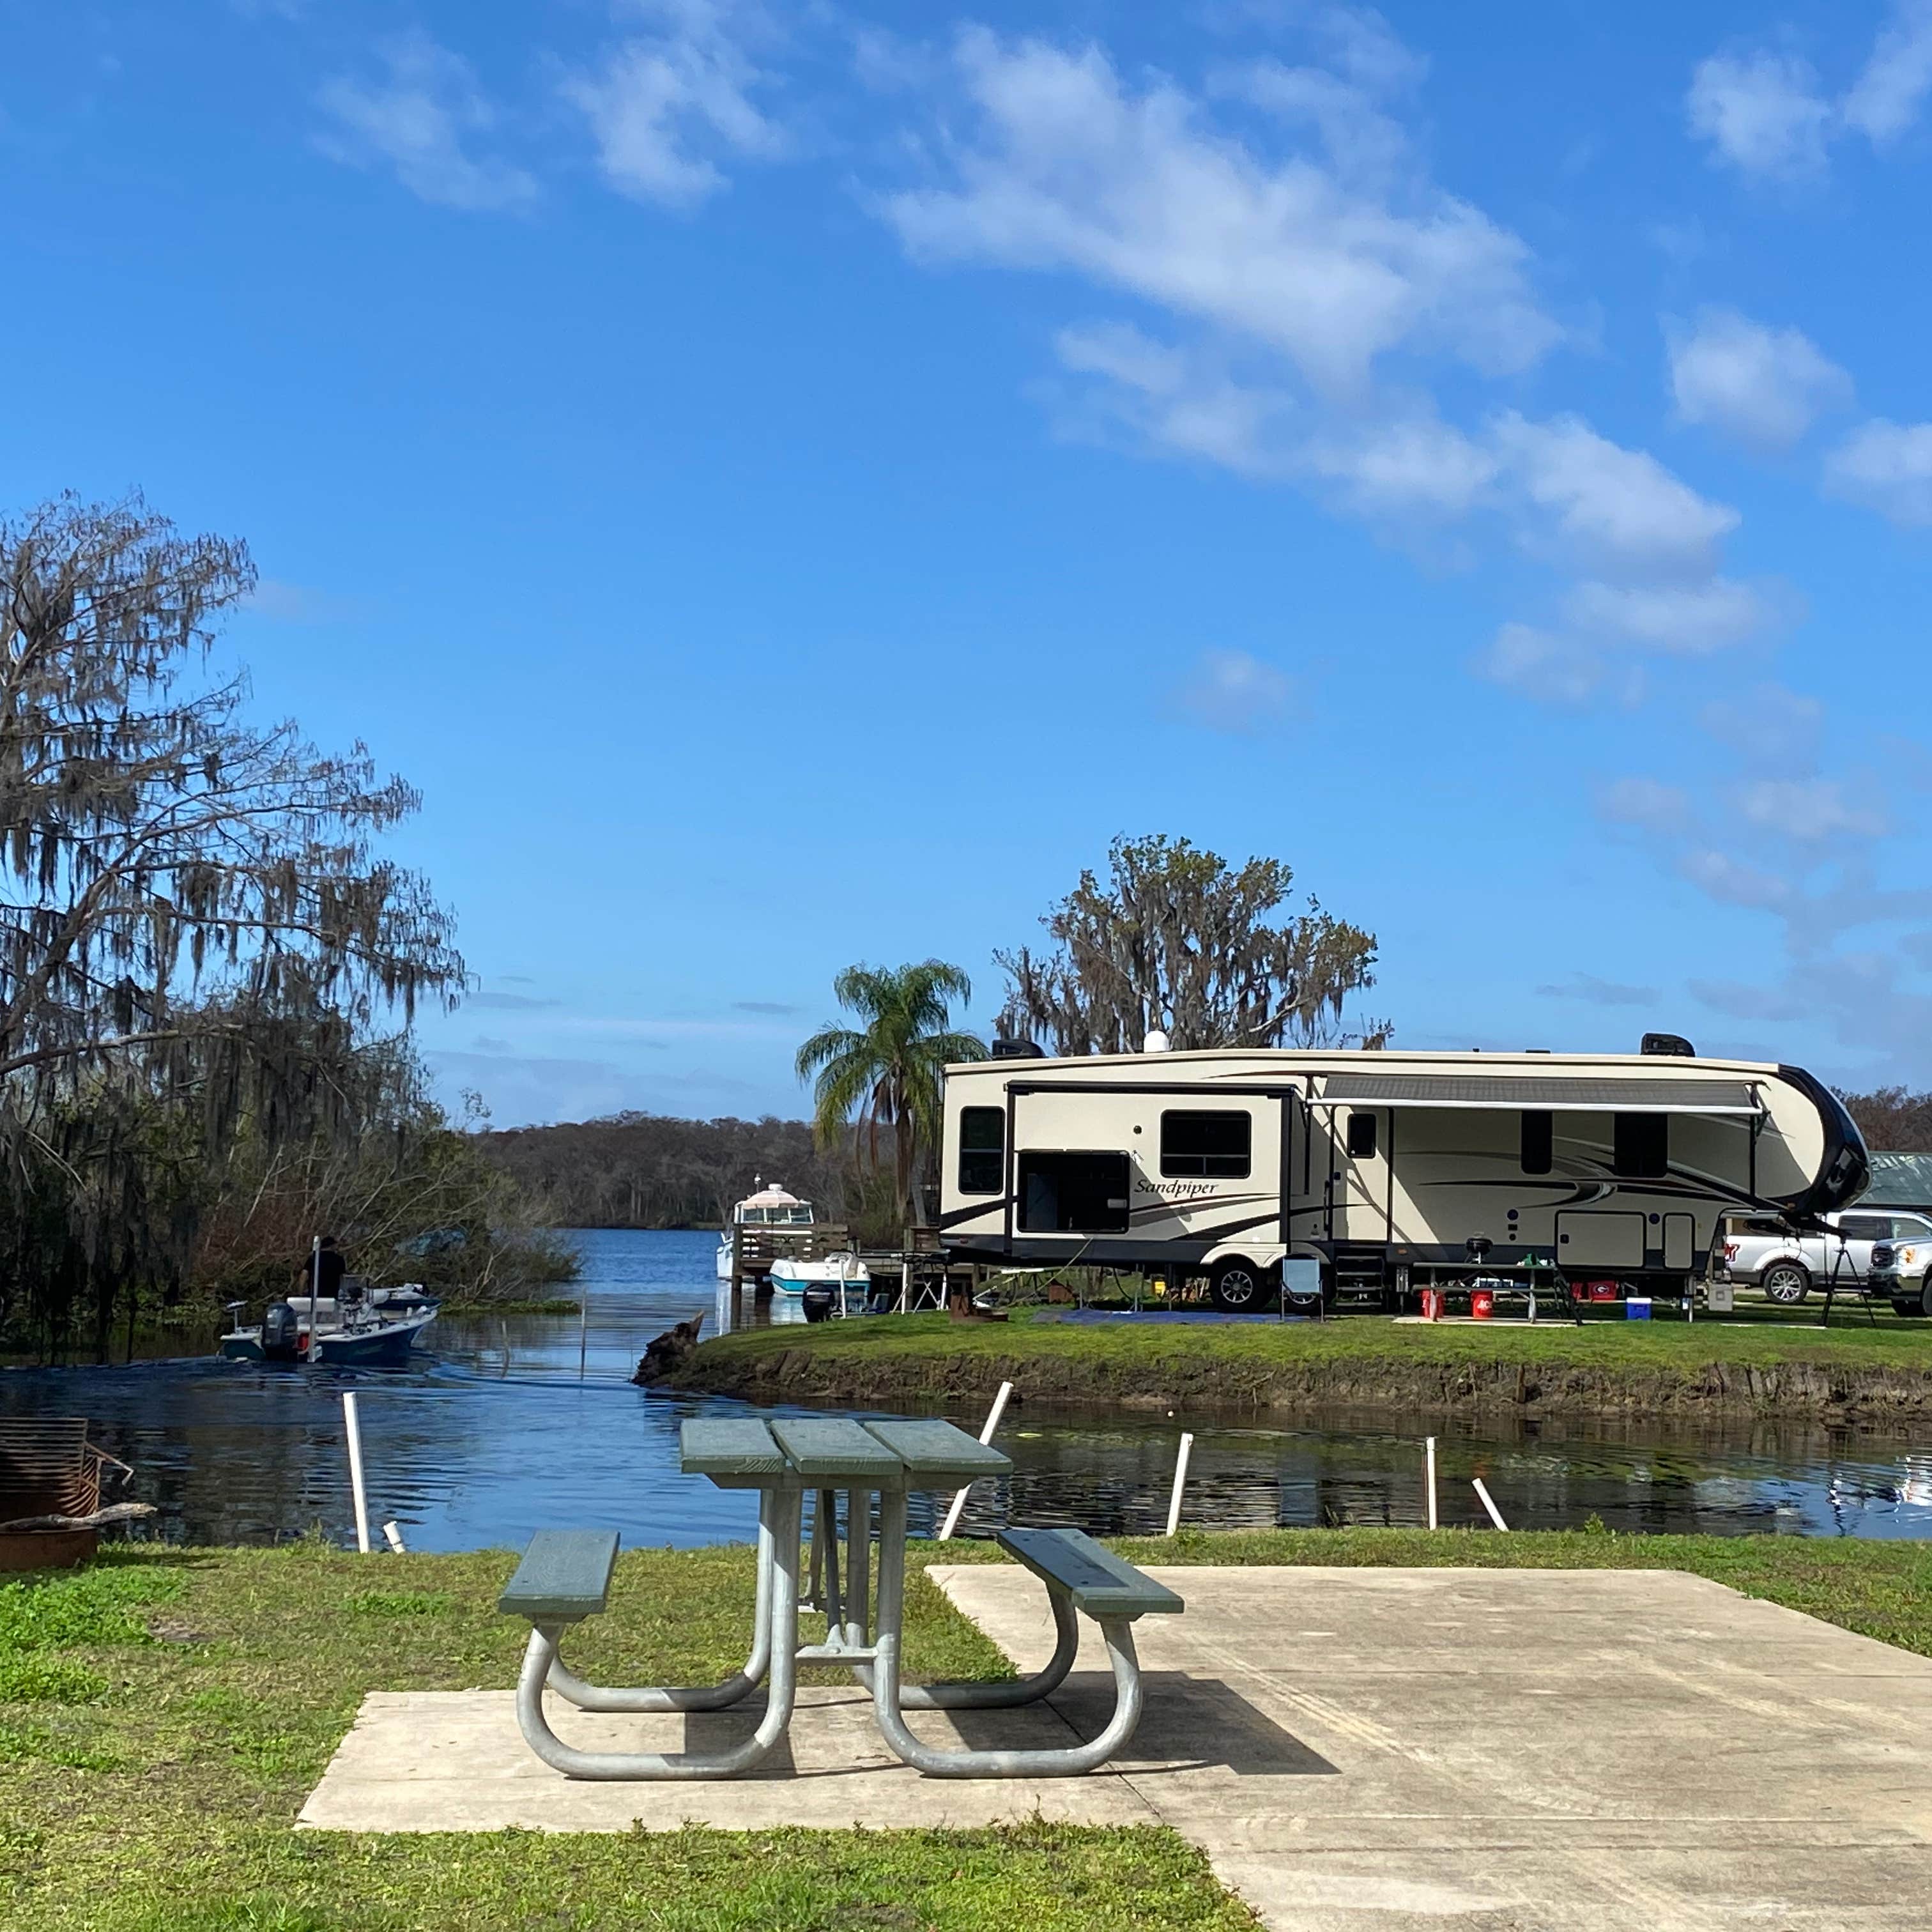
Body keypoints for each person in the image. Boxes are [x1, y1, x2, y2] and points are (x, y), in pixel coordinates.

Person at [296, 1234, 348, 1302]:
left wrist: (300, 1292)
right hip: (332, 1297)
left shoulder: (313, 1258)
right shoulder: (339, 1259)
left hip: (314, 1296)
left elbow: (304, 1275)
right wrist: (343, 1293)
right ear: (332, 1246)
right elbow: (342, 1278)